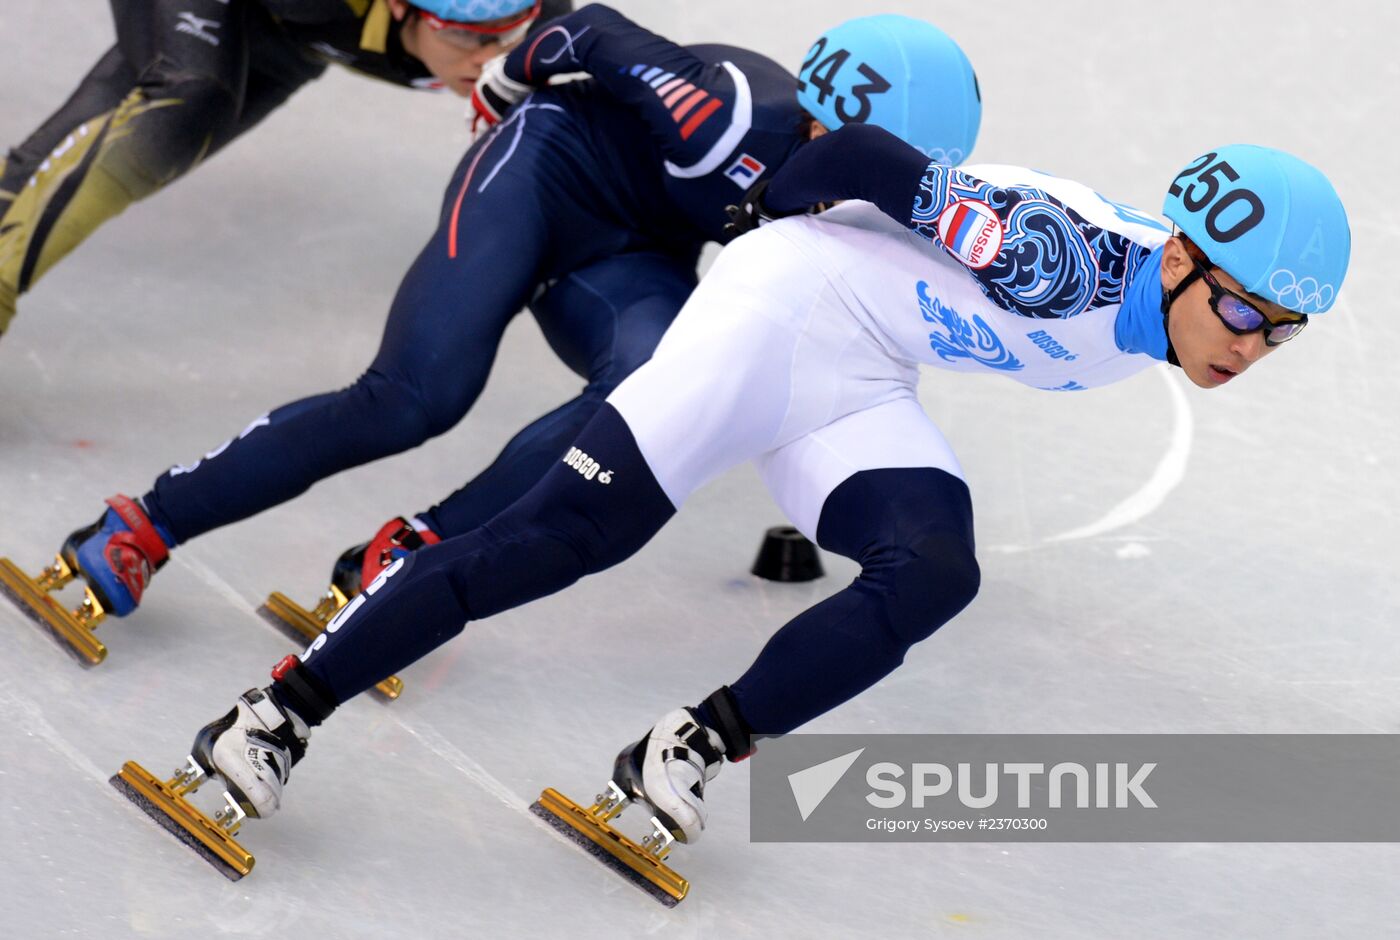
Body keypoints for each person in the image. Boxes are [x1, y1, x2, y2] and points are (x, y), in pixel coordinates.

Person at [175, 124, 1348, 853]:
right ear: (1183, 257)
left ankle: (687, 747)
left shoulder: (1156, 309)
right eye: (1240, 310)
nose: (1246, 348)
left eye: (1277, 333)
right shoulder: (1060, 258)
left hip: (856, 370)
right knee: (568, 537)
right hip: (774, 313)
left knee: (935, 569)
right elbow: (857, 157)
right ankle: (274, 714)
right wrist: (754, 226)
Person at [5, 9, 983, 656]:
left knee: (646, 391)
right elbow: (589, 30)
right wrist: (507, 84)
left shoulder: (856, 190)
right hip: (540, 174)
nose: (874, 200)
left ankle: (411, 551)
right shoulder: (724, 116)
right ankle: (146, 522)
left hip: (628, 252)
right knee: (415, 396)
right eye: (866, 169)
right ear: (822, 127)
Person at [0, 0, 572, 339]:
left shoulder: (550, 31)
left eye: (508, 33)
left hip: (294, 40)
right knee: (184, 105)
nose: (488, 58)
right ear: (401, 5)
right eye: (467, 35)